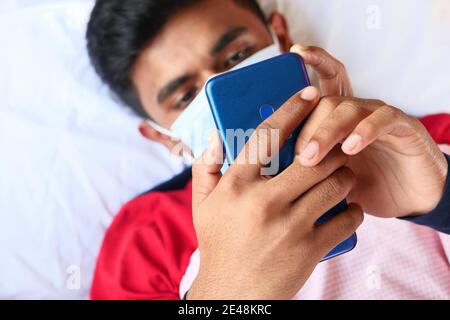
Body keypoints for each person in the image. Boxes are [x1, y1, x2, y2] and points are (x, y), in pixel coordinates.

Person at [86, 0, 450, 300]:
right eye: (186, 96)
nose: (223, 90)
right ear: (163, 137)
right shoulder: (145, 240)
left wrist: (441, 201)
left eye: (236, 56)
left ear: (281, 35)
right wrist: (227, 291)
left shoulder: (419, 143)